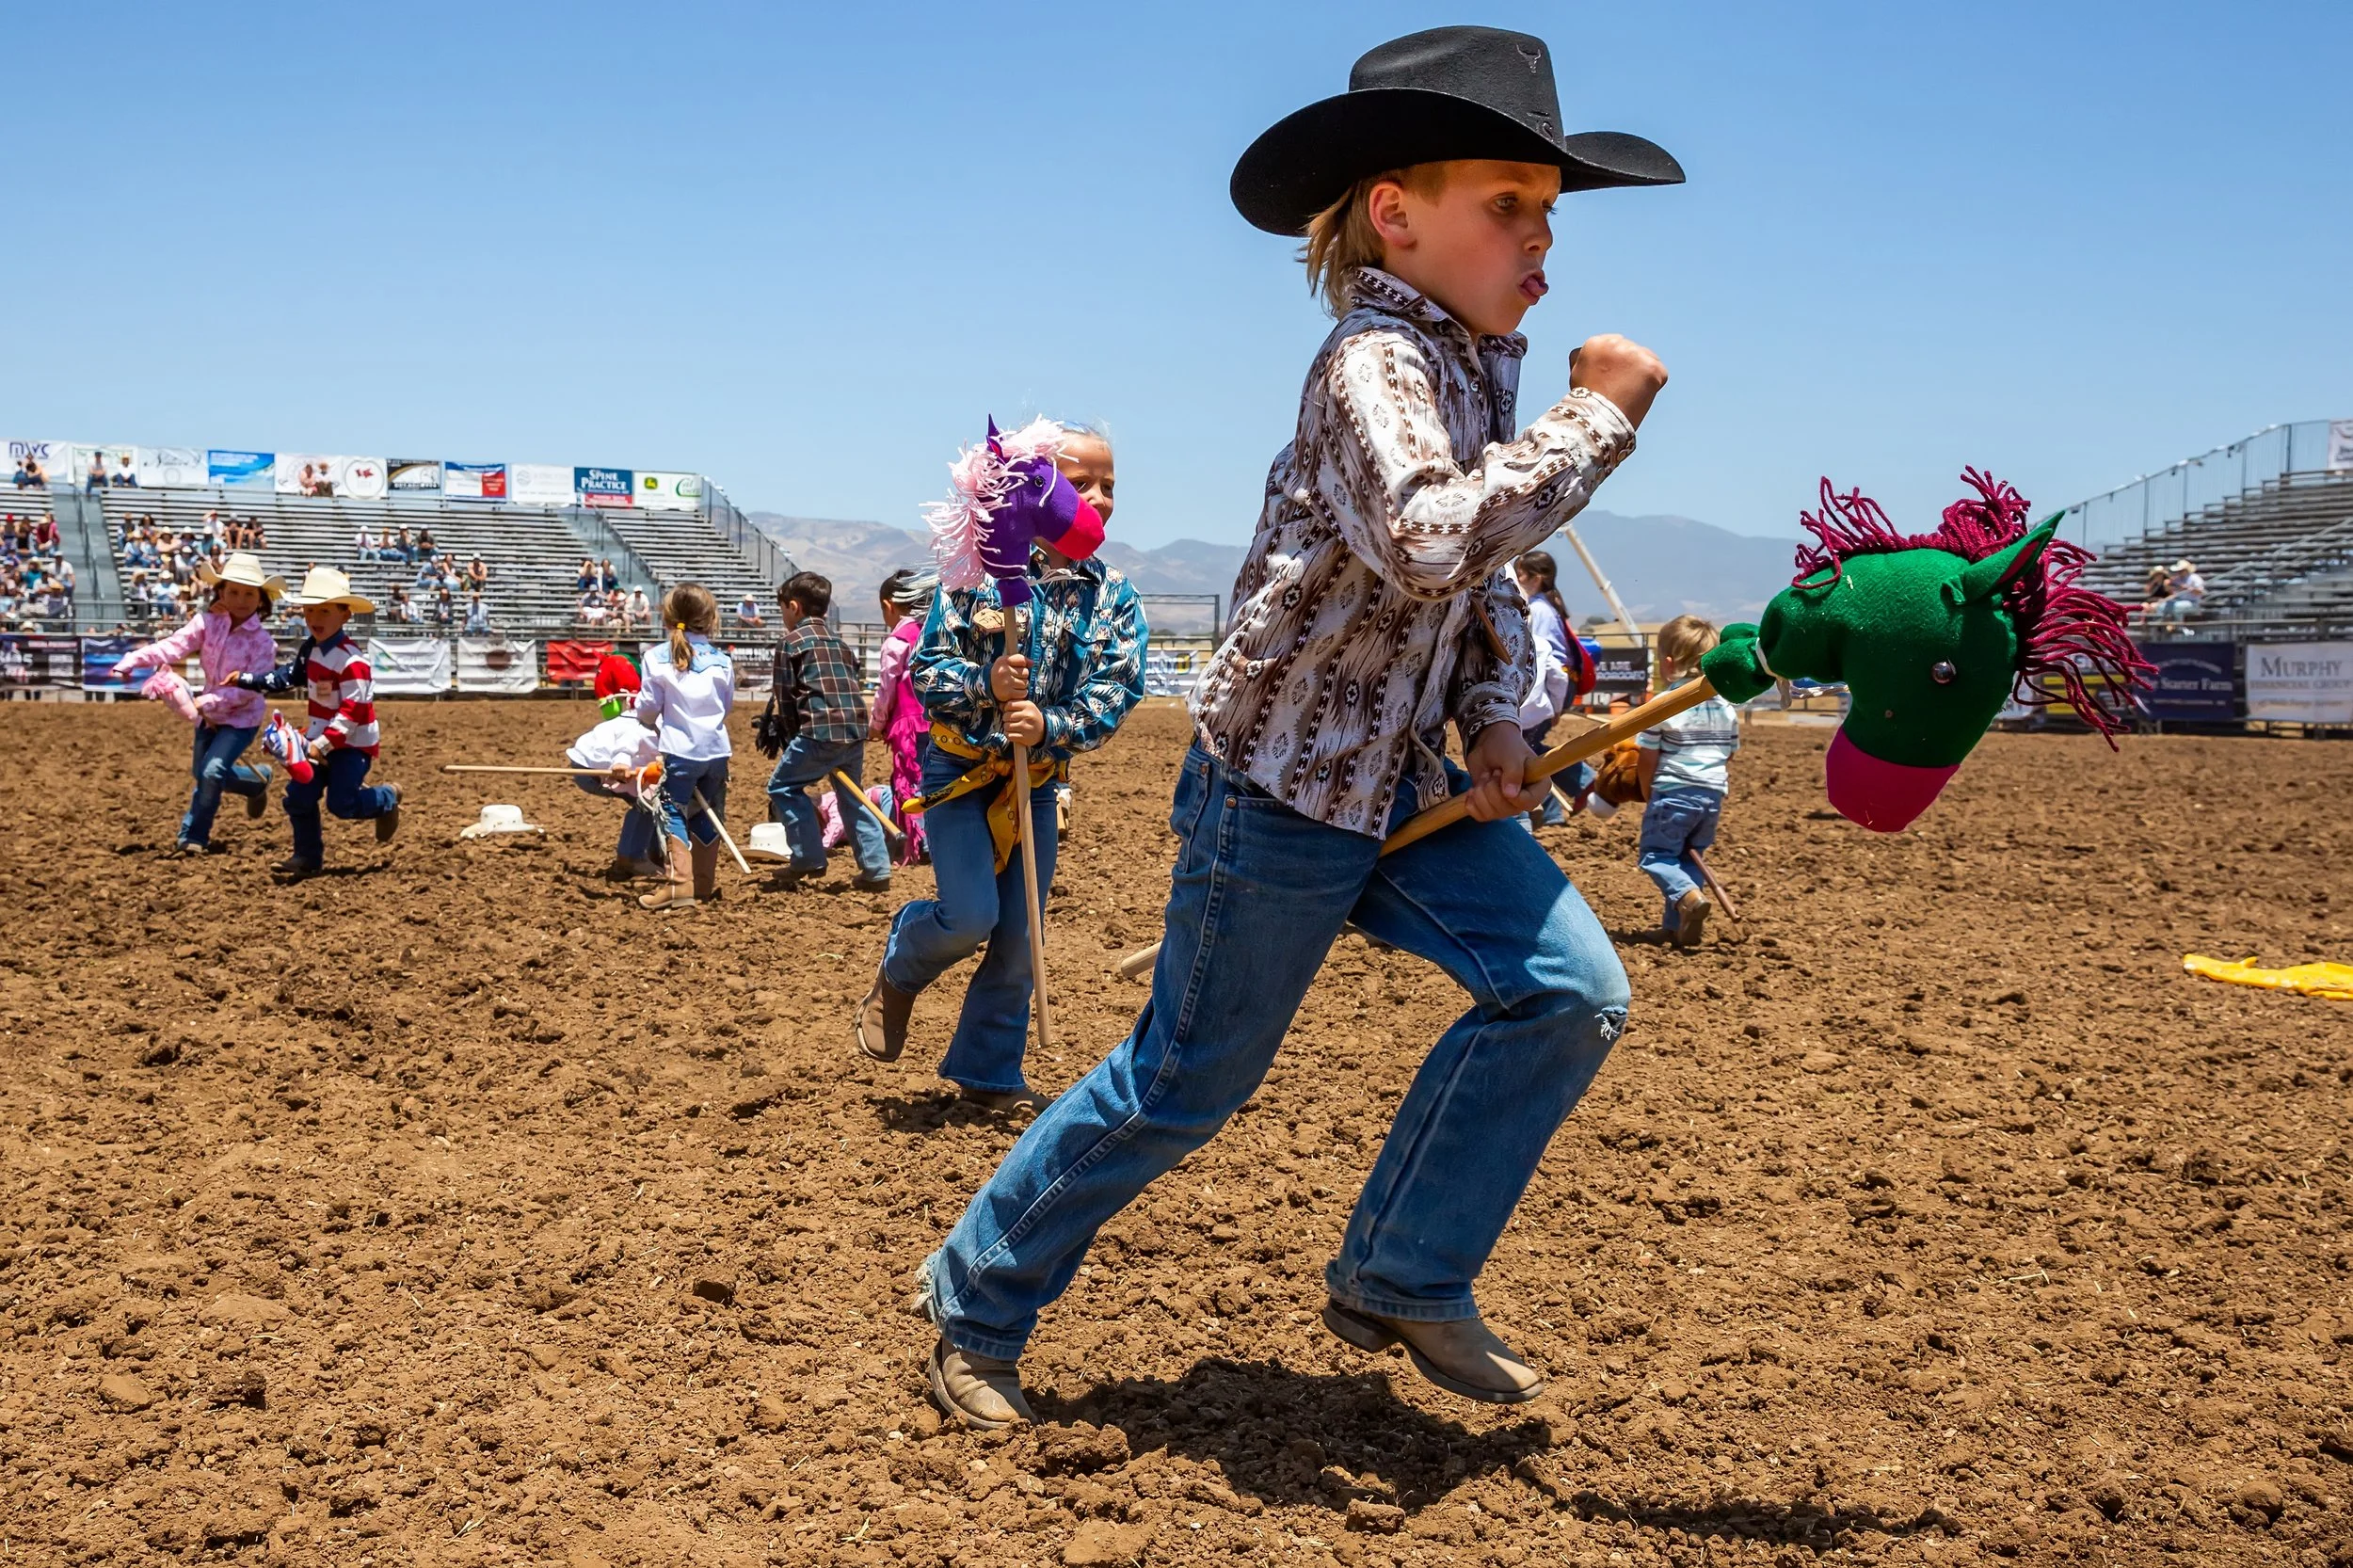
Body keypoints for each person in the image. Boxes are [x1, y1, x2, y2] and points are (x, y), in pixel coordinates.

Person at [906, 25, 1676, 1429]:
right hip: (1277, 791)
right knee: (1184, 1081)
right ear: (1396, 213)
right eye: (1508, 203)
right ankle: (976, 1290)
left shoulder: (1469, 374)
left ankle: (1404, 1269)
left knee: (1568, 992)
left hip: (1398, 776)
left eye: (1548, 213)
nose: (1541, 243)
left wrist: (1500, 717)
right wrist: (1597, 418)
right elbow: (1432, 538)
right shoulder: (1373, 363)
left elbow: (1479, 594)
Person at [852, 422, 1145, 1116]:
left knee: (1021, 936)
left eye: (1111, 486)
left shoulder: (1114, 596)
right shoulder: (969, 580)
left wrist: (1053, 724)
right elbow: (928, 672)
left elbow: (1117, 686)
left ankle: (988, 1073)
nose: (1100, 499)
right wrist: (987, 683)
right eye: (1081, 485)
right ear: (1035, 490)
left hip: (1036, 785)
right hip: (958, 773)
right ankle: (902, 966)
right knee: (971, 916)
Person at [228, 567, 402, 877]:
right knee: (299, 796)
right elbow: (287, 677)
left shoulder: (353, 662)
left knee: (342, 804)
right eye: (309, 610)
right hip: (319, 739)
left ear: (344, 614)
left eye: (324, 610)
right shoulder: (310, 650)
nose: (314, 618)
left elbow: (354, 712)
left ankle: (386, 798)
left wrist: (321, 745)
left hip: (351, 745)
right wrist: (247, 679)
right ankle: (307, 856)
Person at [111, 552, 284, 854]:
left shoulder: (264, 644)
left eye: (248, 593)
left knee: (211, 772)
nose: (241, 599)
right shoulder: (206, 623)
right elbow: (175, 645)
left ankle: (194, 835)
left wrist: (205, 701)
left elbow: (248, 689)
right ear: (221, 593)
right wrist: (134, 660)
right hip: (208, 711)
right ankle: (255, 784)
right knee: (205, 773)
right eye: (233, 591)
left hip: (241, 717)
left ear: (260, 599)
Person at [760, 571, 892, 890]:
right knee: (852, 796)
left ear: (794, 607)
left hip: (818, 731)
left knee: (783, 788)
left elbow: (786, 698)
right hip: (853, 730)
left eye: (783, 611)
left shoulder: (790, 643)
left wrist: (791, 737)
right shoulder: (841, 644)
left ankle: (808, 857)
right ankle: (876, 868)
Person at [1634, 615, 1739, 948]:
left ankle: (1688, 899)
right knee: (1689, 857)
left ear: (1667, 663)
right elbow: (1729, 753)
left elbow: (1647, 757)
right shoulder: (1725, 705)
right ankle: (1676, 926)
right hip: (1711, 796)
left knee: (1657, 857)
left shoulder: (1663, 704)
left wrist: (1648, 790)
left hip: (1673, 792)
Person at [632, 584, 735, 912]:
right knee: (709, 811)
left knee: (672, 808)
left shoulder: (655, 657)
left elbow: (648, 707)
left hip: (681, 748)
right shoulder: (722, 660)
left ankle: (679, 885)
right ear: (709, 619)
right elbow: (726, 704)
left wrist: (648, 720)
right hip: (717, 749)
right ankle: (703, 882)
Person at [1513, 549, 1595, 825]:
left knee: (1520, 749)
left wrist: (1551, 704)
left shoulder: (1538, 610)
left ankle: (1558, 799)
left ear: (1537, 578)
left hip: (1549, 686)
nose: (1516, 578)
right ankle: (1552, 807)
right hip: (1554, 685)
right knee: (1527, 747)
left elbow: (1542, 657)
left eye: (1521, 573)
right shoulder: (1546, 607)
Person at [568, 658, 664, 881]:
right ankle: (632, 857)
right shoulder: (644, 720)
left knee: (649, 800)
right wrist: (620, 762)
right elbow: (629, 738)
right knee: (647, 802)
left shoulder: (645, 713)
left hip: (590, 760)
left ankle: (650, 852)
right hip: (596, 767)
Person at [870, 567, 939, 864]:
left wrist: (876, 723)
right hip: (938, 718)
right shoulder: (934, 632)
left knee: (910, 780)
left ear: (889, 606)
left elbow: (886, 690)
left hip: (908, 723)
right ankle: (939, 838)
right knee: (939, 778)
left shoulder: (895, 643)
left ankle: (920, 841)